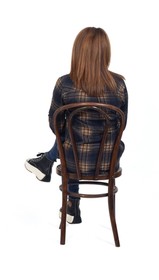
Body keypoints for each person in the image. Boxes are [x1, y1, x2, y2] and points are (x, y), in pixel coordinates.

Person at [25, 27, 128, 224]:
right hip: (108, 162)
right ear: (105, 51)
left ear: (78, 51)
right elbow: (123, 125)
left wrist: (72, 132)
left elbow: (54, 125)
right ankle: (71, 206)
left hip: (73, 161)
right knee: (70, 140)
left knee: (68, 140)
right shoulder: (119, 85)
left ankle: (49, 165)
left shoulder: (64, 84)